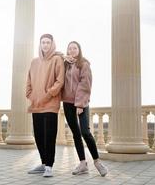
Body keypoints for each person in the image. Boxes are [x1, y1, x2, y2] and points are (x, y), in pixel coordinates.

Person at [62, 41, 108, 177]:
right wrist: (64, 57)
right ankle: (83, 164)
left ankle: (97, 162)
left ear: (79, 49)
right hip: (67, 103)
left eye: (74, 48)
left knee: (85, 132)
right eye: (69, 48)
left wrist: (80, 104)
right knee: (75, 134)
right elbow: (55, 54)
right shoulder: (65, 64)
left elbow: (85, 84)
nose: (72, 50)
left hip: (81, 103)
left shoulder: (84, 64)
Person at [26, 33, 64, 177]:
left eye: (48, 42)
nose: (45, 45)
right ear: (40, 44)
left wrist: (47, 95)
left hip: (50, 104)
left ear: (52, 44)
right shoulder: (34, 62)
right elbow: (28, 81)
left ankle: (49, 166)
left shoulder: (57, 60)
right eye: (43, 42)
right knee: (38, 136)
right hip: (36, 104)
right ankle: (43, 163)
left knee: (49, 136)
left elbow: (59, 81)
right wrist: (30, 95)